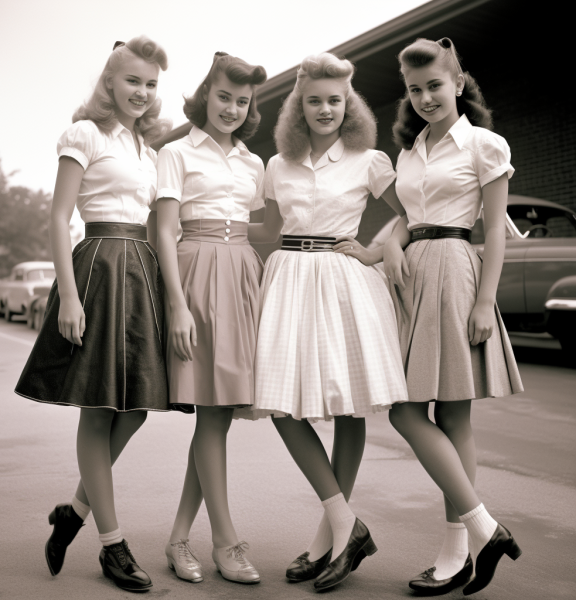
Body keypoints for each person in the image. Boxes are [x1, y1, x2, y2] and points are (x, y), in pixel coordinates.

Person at [239, 52, 408, 591]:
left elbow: (415, 210)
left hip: (342, 279)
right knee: (282, 405)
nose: (326, 109)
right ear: (299, 104)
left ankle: (328, 539)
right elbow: (258, 228)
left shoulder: (370, 160)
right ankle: (345, 524)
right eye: (315, 100)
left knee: (348, 407)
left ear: (349, 102)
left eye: (335, 100)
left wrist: (377, 251)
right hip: (288, 277)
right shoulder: (276, 165)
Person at [14, 37, 171, 593]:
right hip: (98, 267)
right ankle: (112, 544)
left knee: (137, 408)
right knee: (100, 408)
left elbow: (156, 222)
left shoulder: (147, 151)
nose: (142, 93)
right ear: (110, 82)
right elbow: (60, 218)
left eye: (151, 85)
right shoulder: (85, 134)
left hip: (139, 273)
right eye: (133, 81)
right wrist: (71, 296)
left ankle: (73, 514)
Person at [383, 37, 524, 596]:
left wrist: (486, 300)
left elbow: (493, 230)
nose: (424, 97)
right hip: (415, 276)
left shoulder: (485, 145)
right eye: (414, 90)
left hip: (458, 273)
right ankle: (480, 535)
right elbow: (406, 216)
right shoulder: (409, 151)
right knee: (414, 410)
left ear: (458, 83)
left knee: (435, 415)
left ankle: (460, 546)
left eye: (434, 86)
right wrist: (393, 242)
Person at [154, 52, 267, 585]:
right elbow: (163, 230)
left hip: (242, 273)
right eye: (224, 97)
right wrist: (177, 304)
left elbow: (266, 223)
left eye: (242, 102)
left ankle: (180, 539)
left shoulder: (254, 164)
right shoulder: (176, 153)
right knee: (212, 411)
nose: (232, 108)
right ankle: (226, 542)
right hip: (195, 274)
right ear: (206, 95)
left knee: (217, 415)